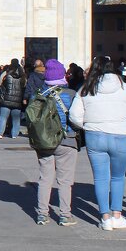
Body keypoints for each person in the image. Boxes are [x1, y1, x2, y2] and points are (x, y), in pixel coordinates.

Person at [69, 56, 126, 231]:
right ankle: (117, 215)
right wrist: (125, 124)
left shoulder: (86, 89)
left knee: (100, 177)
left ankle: (105, 217)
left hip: (95, 135)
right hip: (121, 135)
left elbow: (74, 115)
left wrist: (87, 125)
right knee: (118, 177)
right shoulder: (124, 87)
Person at [33, 60, 79, 227]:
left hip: (44, 141)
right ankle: (65, 215)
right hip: (67, 140)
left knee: (45, 178)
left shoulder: (38, 94)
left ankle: (42, 214)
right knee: (65, 180)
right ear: (62, 74)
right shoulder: (71, 94)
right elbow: (77, 118)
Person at [0, 60, 25, 140]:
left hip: (6, 99)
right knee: (16, 119)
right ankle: (14, 134)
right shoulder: (23, 76)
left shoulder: (6, 74)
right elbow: (24, 86)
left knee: (3, 117)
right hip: (18, 100)